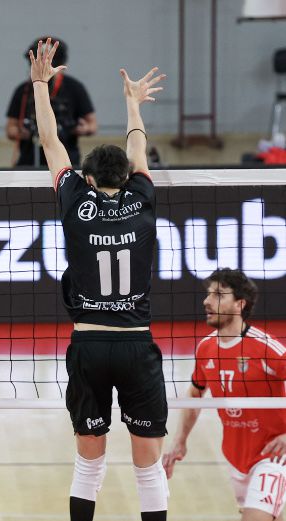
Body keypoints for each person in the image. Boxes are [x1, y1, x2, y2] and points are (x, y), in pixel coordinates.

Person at [30, 38, 168, 521]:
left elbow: (51, 141)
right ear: (128, 177)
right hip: (136, 343)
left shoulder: (75, 200)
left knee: (89, 463)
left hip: (89, 344)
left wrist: (40, 85)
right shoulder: (143, 200)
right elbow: (138, 148)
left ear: (87, 179)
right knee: (148, 467)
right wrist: (133, 103)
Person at [163, 269, 286, 521]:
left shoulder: (266, 348)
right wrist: (179, 440)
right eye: (208, 294)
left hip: (274, 456)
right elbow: (195, 393)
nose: (207, 301)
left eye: (218, 295)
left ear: (240, 304)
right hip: (236, 456)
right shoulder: (206, 348)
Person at [6, 36, 96, 168]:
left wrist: (82, 129)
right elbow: (10, 129)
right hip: (29, 162)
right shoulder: (23, 90)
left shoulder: (75, 88)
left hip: (66, 162)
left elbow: (92, 125)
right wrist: (22, 132)